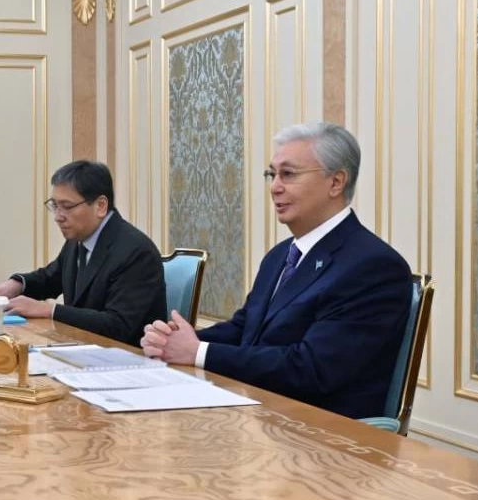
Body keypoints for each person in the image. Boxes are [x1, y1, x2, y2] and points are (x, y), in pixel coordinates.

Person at [141, 122, 411, 419]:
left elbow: (311, 368)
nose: (275, 187)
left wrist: (198, 352)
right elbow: (245, 329)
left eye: (288, 174)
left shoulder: (372, 267)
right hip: (256, 411)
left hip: (318, 430)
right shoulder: (280, 255)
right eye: (272, 174)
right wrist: (173, 340)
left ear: (336, 182)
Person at [0, 160, 166, 344]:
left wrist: (50, 310)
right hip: (80, 348)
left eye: (67, 206)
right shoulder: (78, 239)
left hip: (126, 355)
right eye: (55, 205)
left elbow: (118, 325)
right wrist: (18, 284)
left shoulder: (136, 252)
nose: (58, 217)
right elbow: (50, 279)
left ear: (100, 205)